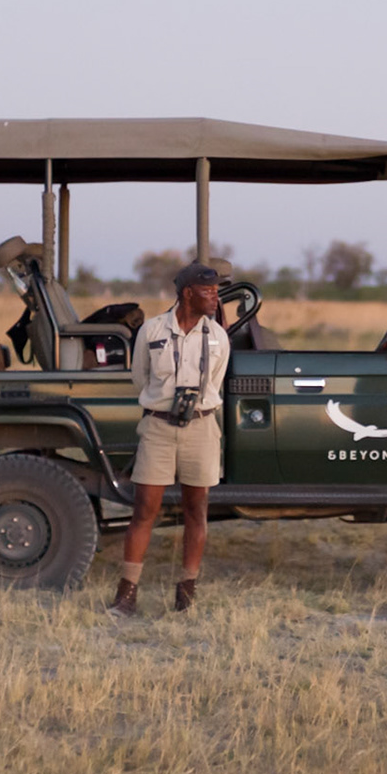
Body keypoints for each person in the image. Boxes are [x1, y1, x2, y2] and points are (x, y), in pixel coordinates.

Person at [110, 262, 229, 616]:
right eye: (208, 292)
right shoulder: (151, 331)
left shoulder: (218, 336)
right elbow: (140, 380)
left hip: (202, 427)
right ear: (187, 293)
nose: (215, 299)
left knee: (197, 510)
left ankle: (186, 595)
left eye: (216, 291)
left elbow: (216, 383)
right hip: (159, 427)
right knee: (145, 509)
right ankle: (126, 595)